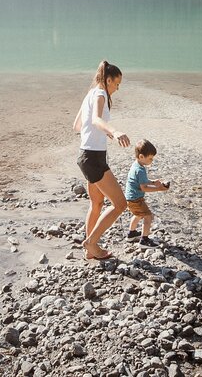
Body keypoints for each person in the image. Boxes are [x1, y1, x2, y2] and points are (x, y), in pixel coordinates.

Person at [73, 60, 130, 260]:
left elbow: (77, 126)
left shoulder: (90, 94)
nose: (117, 88)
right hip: (94, 158)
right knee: (120, 204)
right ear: (107, 80)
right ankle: (91, 243)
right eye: (116, 83)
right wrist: (113, 131)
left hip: (85, 156)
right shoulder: (100, 94)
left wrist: (99, 133)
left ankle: (90, 251)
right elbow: (96, 120)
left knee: (97, 204)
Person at [125, 139, 169, 247]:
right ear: (141, 157)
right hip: (136, 199)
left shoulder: (136, 165)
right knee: (148, 216)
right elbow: (144, 187)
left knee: (138, 214)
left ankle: (131, 234)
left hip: (130, 198)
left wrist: (154, 182)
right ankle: (144, 240)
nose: (152, 160)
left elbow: (142, 182)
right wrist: (159, 189)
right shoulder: (140, 170)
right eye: (150, 158)